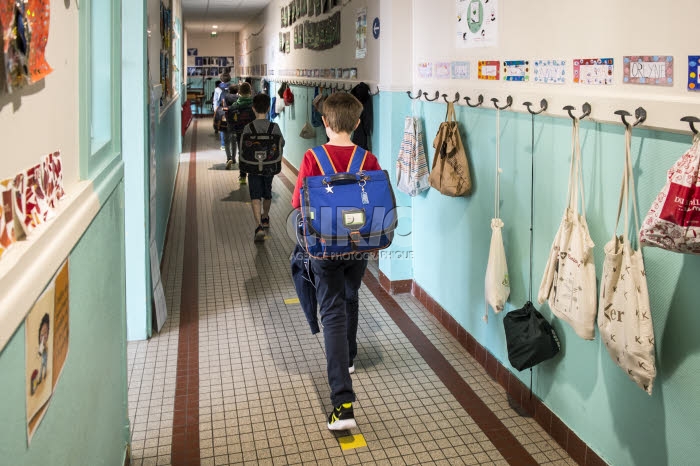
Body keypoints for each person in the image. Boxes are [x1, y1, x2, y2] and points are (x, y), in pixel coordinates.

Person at [291, 92, 382, 431]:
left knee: (331, 312)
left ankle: (343, 405)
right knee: (351, 295)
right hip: (358, 244)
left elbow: (298, 201)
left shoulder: (313, 157)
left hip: (324, 245)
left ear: (325, 123)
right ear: (358, 124)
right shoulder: (368, 159)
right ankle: (351, 356)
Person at [241, 93, 284, 242]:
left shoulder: (248, 127)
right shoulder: (274, 127)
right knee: (267, 192)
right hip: (269, 166)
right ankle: (265, 217)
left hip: (253, 167)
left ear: (253, 109)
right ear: (267, 108)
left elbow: (243, 149)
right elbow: (281, 144)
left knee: (255, 195)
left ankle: (258, 226)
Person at [223, 82, 254, 185]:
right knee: (253, 152)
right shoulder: (254, 104)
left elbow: (230, 120)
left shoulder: (235, 105)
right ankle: (253, 174)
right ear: (250, 92)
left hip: (240, 132)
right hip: (253, 133)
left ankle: (242, 176)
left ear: (239, 92)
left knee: (242, 153)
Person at [213, 74, 231, 146]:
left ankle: (223, 145)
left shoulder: (217, 89)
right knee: (230, 125)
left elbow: (215, 100)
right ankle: (230, 143)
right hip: (230, 109)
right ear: (229, 79)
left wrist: (215, 110)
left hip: (221, 109)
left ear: (221, 80)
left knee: (222, 125)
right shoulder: (232, 87)